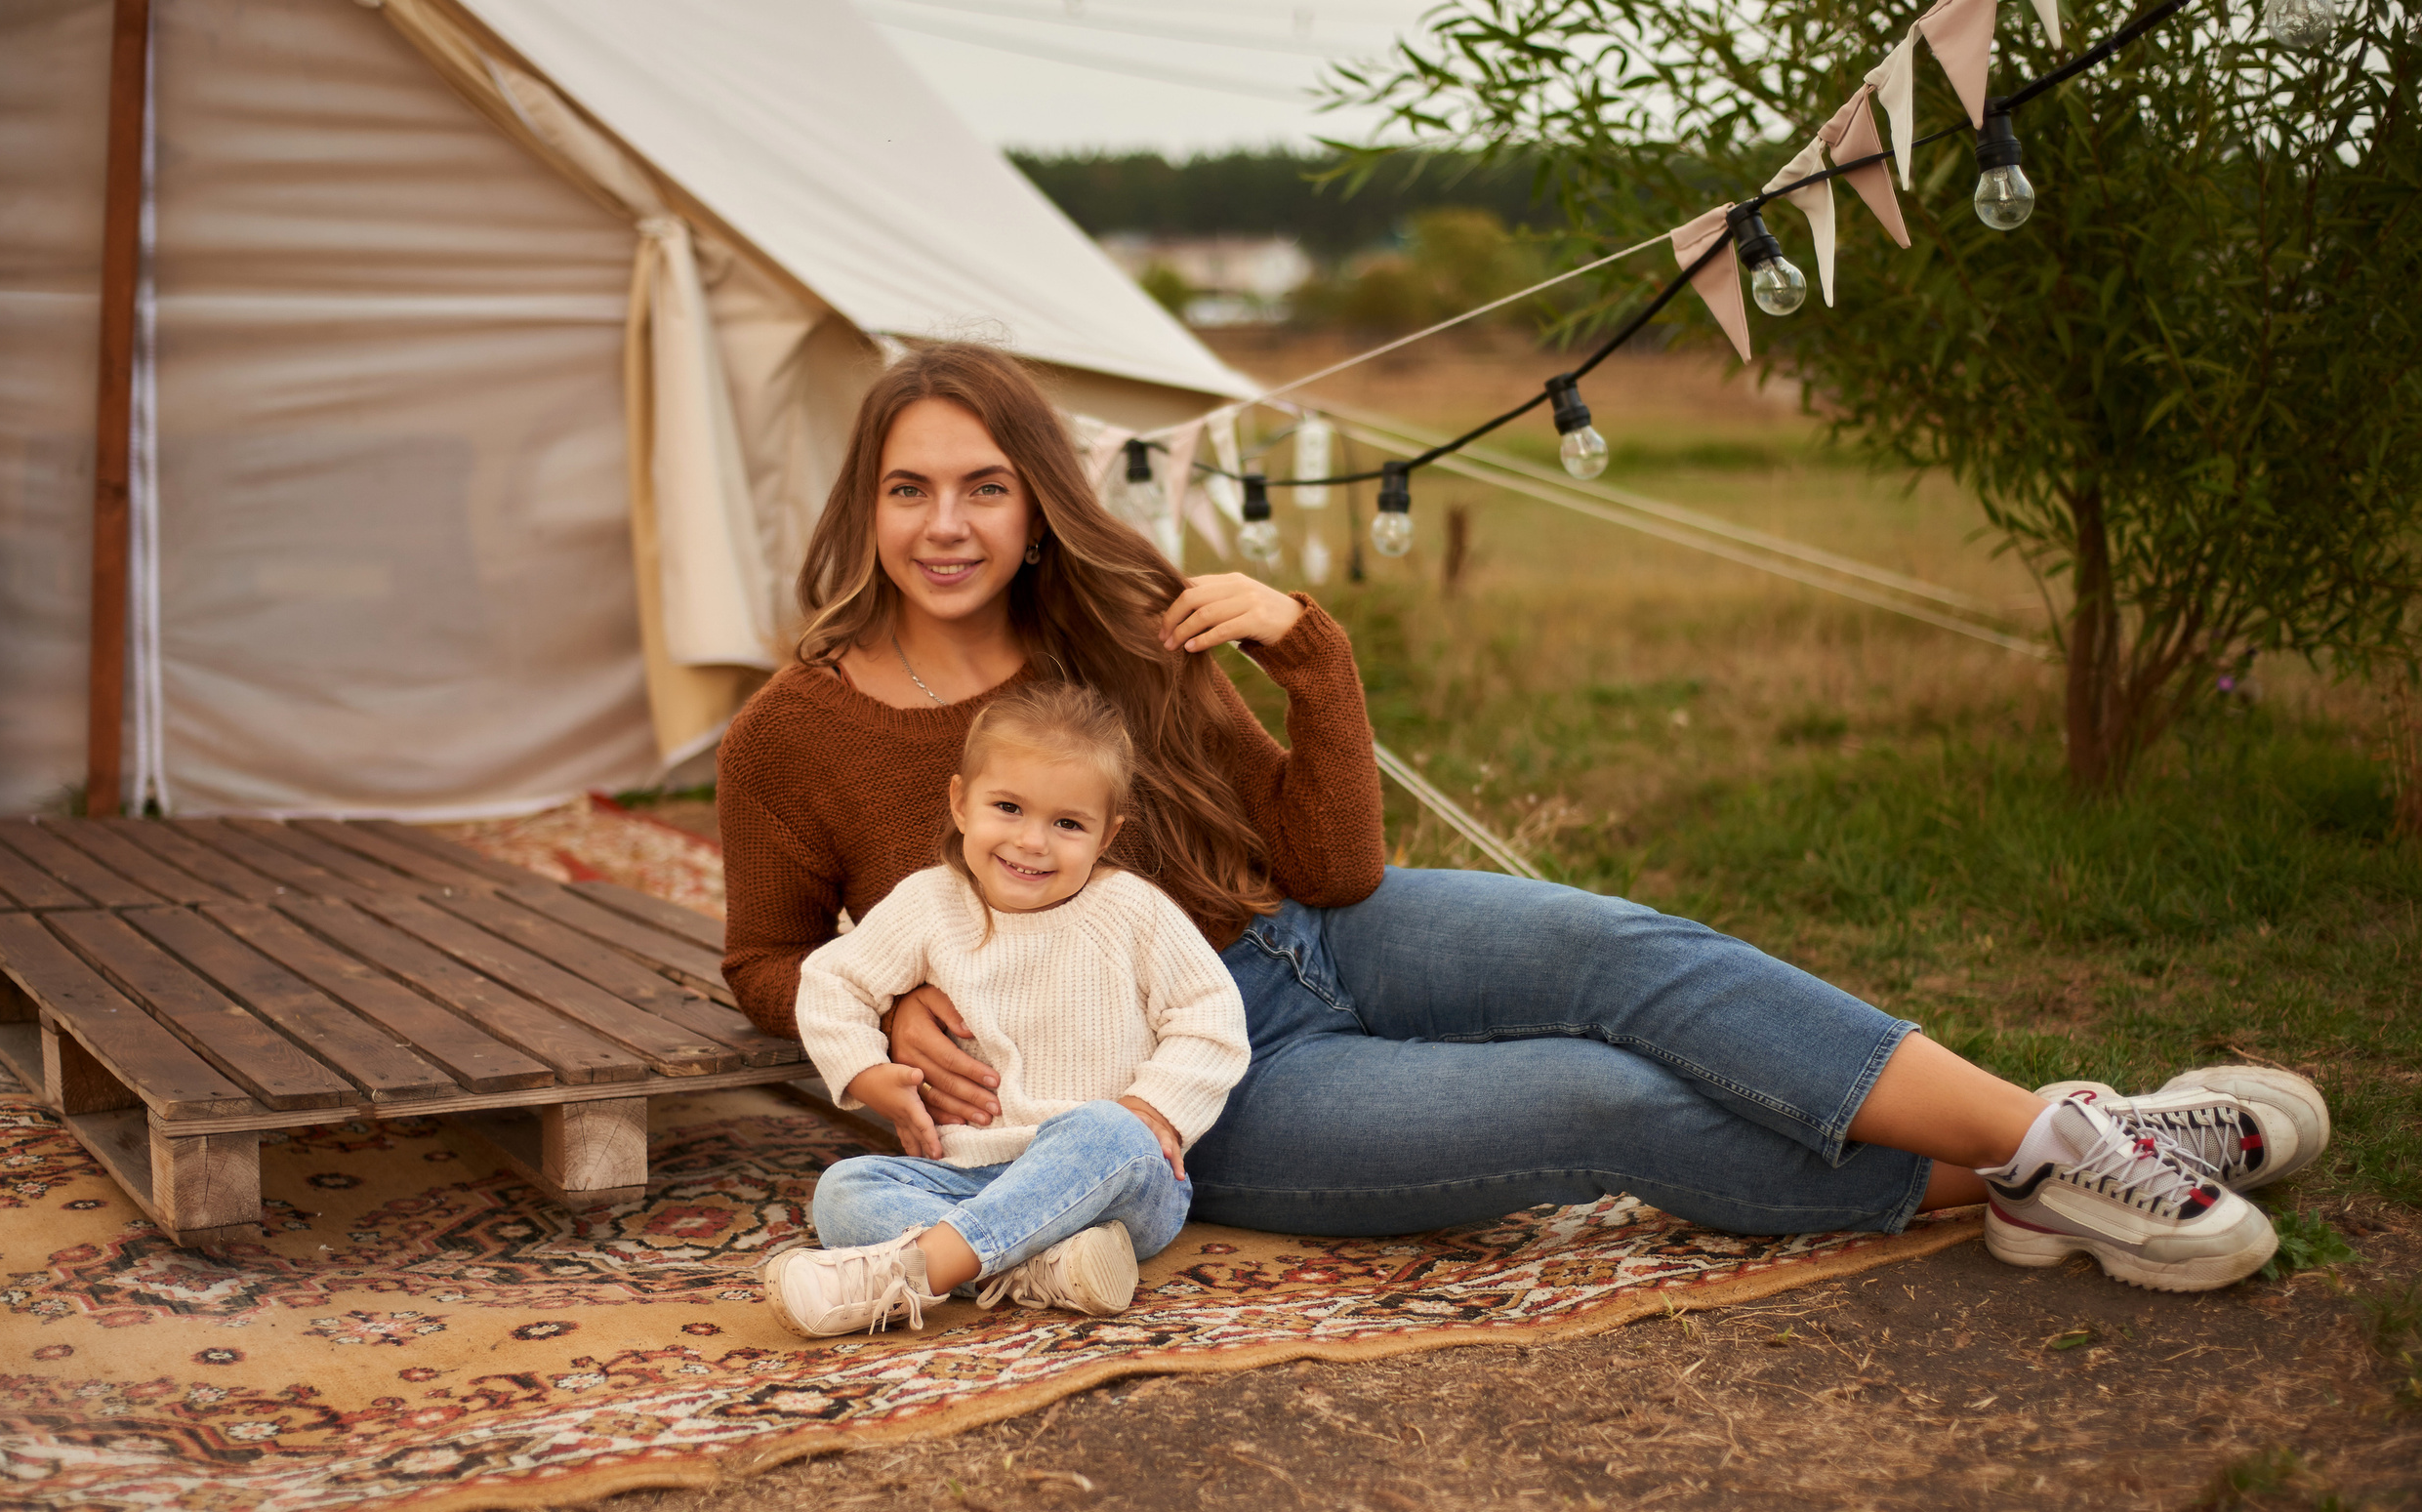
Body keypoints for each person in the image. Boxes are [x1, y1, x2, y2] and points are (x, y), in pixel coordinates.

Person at [720, 342, 2330, 1297]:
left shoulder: (1123, 626)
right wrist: (890, 1010)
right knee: (1601, 1098)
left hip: (1311, 935)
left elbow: (1332, 862)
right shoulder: (794, 728)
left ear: (1035, 499)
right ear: (866, 502)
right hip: (1196, 1086)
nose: (947, 524)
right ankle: (2040, 1168)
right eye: (911, 487)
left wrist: (1310, 655)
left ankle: (2063, 1146)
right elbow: (762, 955)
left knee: (1633, 950)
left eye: (985, 485)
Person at [765, 683, 1249, 1337]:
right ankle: (1042, 1267)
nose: (1032, 841)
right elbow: (832, 981)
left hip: (1110, 1186)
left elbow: (1211, 1016)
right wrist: (866, 1073)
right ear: (961, 803)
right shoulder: (930, 904)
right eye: (1008, 807)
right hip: (970, 1175)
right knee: (843, 1191)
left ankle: (923, 1267)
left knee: (1107, 1128)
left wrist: (1155, 1107)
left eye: (1068, 823)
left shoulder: (1131, 911)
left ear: (1107, 834)